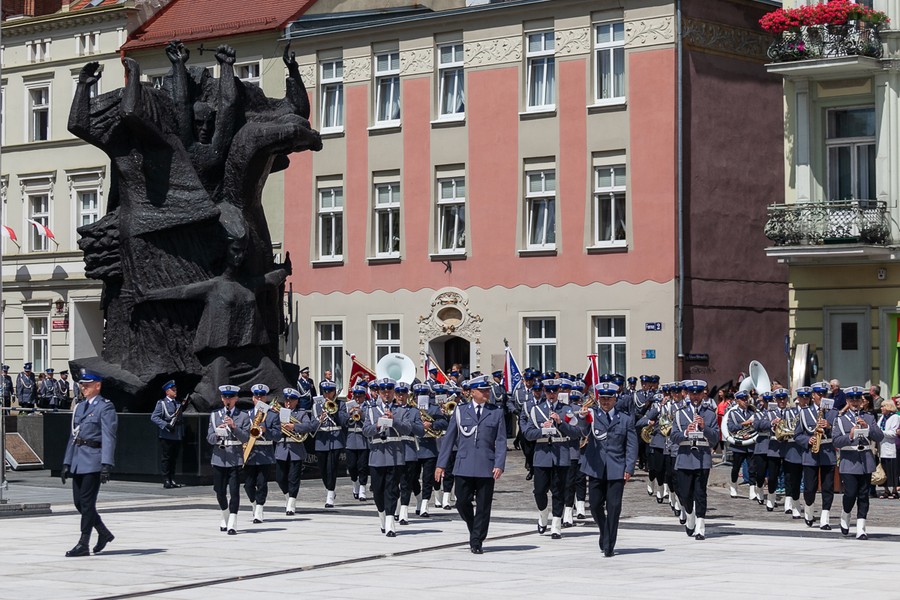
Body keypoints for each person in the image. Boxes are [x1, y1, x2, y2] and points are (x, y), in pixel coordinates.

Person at [564, 382, 637, 557]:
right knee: (596, 506)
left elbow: (631, 446)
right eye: (602, 398)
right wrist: (579, 419)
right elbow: (581, 432)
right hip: (595, 467)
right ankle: (604, 531)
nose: (605, 402)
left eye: (608, 398)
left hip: (616, 469)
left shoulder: (625, 419)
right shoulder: (592, 415)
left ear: (615, 399)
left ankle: (609, 543)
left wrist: (629, 467)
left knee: (614, 507)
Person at [435, 374, 507, 554]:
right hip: (464, 464)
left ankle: (476, 541)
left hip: (486, 465)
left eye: (487, 390)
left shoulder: (496, 412)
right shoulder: (460, 411)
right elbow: (449, 439)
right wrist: (441, 464)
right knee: (462, 501)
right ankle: (474, 527)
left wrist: (499, 464)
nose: (487, 393)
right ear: (473, 392)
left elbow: (501, 441)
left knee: (483, 506)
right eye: (483, 390)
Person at [61, 369, 118, 557]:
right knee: (79, 502)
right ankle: (103, 532)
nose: (83, 387)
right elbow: (73, 435)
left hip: (94, 459)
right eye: (82, 384)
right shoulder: (80, 407)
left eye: (87, 384)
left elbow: (109, 437)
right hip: (78, 459)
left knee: (86, 502)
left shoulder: (105, 407)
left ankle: (83, 543)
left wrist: (106, 464)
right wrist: (66, 462)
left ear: (98, 385)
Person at [520, 377, 572, 539]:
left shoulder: (566, 409)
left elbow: (577, 432)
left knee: (558, 491)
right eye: (548, 391)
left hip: (560, 454)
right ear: (544, 391)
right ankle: (543, 514)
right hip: (542, 455)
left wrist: (561, 422)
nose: (551, 394)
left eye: (554, 391)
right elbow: (527, 434)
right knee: (539, 491)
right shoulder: (536, 410)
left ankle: (556, 525)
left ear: (558, 392)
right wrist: (543, 430)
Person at [670, 379, 719, 540]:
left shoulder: (710, 413)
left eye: (698, 393)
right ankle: (689, 514)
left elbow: (715, 438)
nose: (695, 396)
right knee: (685, 494)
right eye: (693, 393)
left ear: (703, 394)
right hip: (684, 457)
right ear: (688, 394)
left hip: (702, 458)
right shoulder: (679, 413)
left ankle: (701, 526)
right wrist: (685, 432)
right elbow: (673, 436)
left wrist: (704, 427)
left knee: (700, 493)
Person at [833, 386, 884, 539]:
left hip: (866, 461)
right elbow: (836, 440)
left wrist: (867, 427)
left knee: (863, 495)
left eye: (857, 399)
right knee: (850, 494)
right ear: (847, 401)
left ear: (862, 401)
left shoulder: (868, 417)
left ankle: (861, 527)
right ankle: (846, 514)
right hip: (849, 461)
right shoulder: (840, 420)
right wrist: (850, 436)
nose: (855, 402)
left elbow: (879, 436)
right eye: (851, 399)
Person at [363, 378, 412, 537]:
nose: (386, 394)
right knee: (378, 491)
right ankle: (382, 516)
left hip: (395, 455)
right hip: (377, 455)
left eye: (389, 391)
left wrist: (394, 420)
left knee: (391, 490)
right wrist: (377, 426)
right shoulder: (371, 410)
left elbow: (407, 429)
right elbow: (365, 431)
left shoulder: (401, 409)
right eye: (383, 391)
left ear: (393, 392)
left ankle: (391, 523)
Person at [207, 384, 251, 534]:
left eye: (231, 397)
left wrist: (234, 427)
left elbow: (246, 438)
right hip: (219, 457)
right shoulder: (214, 415)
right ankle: (225, 515)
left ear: (236, 398)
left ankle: (232, 522)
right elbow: (209, 438)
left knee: (234, 491)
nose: (228, 400)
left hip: (235, 457)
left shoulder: (243, 416)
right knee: (219, 491)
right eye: (225, 397)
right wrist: (218, 433)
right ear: (221, 398)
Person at [795, 381, 838, 530]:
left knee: (828, 487)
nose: (822, 396)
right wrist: (808, 440)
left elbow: (839, 434)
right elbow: (797, 435)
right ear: (813, 395)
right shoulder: (804, 412)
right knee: (809, 487)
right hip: (810, 454)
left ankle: (825, 518)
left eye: (824, 394)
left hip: (827, 453)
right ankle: (809, 510)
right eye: (819, 394)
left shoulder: (833, 412)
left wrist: (830, 426)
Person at [274, 388, 317, 515]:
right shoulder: (279, 412)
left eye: (291, 400)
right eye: (286, 399)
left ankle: (291, 503)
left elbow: (309, 426)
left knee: (294, 478)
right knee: (280, 478)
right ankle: (288, 498)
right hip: (281, 447)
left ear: (296, 401)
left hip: (296, 449)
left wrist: (294, 426)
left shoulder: (301, 413)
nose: (288, 402)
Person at [244, 384, 282, 523]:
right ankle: (254, 504)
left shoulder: (272, 415)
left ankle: (259, 508)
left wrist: (267, 431)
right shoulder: (247, 414)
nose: (259, 399)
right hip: (250, 453)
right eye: (256, 396)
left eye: (262, 396)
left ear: (266, 398)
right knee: (248, 484)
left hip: (265, 453)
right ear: (253, 398)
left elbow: (278, 436)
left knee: (262, 483)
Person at [312, 379, 349, 508]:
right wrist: (320, 419)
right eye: (325, 392)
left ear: (334, 392)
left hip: (336, 438)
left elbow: (344, 422)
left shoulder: (341, 404)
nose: (327, 394)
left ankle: (330, 495)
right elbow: (312, 425)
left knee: (331, 468)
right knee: (322, 469)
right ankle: (329, 489)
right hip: (322, 439)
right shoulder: (316, 405)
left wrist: (335, 411)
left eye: (330, 392)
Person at [149, 380, 186, 489]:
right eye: (173, 390)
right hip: (167, 435)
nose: (175, 391)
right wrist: (165, 425)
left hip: (177, 434)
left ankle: (172, 478)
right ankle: (166, 479)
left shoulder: (178, 404)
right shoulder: (162, 403)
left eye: (176, 389)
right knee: (166, 458)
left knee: (174, 458)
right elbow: (154, 417)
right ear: (167, 392)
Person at [781, 387, 808, 519]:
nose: (805, 400)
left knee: (809, 481)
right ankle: (795, 504)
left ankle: (808, 507)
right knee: (794, 479)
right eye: (802, 397)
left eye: (807, 397)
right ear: (798, 398)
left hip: (808, 449)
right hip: (794, 450)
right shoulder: (789, 413)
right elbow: (785, 428)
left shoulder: (814, 412)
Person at [726, 391, 756, 499]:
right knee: (736, 467)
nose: (745, 401)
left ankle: (752, 490)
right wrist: (743, 424)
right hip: (738, 444)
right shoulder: (732, 413)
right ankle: (733, 485)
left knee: (752, 468)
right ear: (737, 401)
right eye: (743, 399)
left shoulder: (752, 412)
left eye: (746, 399)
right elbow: (731, 428)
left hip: (751, 443)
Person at [345, 384, 371, 502]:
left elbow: (370, 419)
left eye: (360, 396)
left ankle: (362, 489)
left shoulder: (368, 406)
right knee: (351, 466)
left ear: (364, 397)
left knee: (363, 466)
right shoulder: (348, 406)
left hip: (363, 439)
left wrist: (361, 414)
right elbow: (343, 421)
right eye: (356, 396)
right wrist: (349, 414)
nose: (357, 399)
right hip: (351, 439)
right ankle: (355, 482)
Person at [876, 398, 900, 499]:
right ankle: (886, 490)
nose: (881, 408)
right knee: (884, 469)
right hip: (882, 446)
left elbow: (893, 433)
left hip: (891, 446)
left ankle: (894, 489)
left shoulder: (895, 417)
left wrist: (881, 433)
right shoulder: (882, 417)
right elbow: (878, 428)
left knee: (892, 469)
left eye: (883, 406)